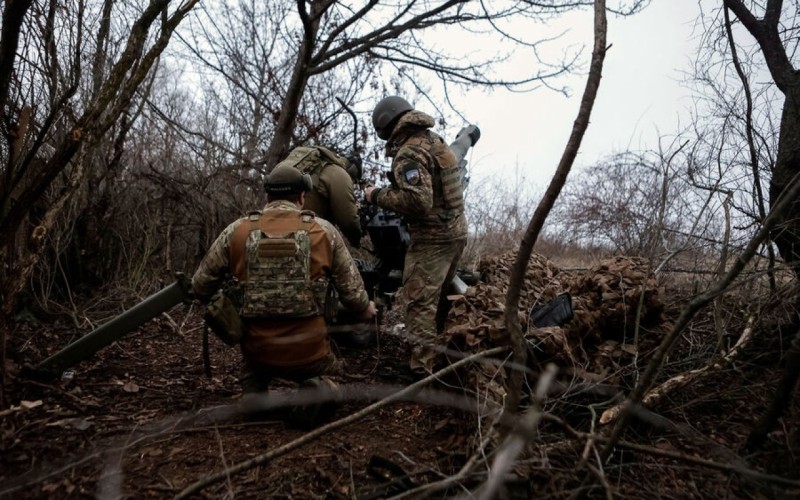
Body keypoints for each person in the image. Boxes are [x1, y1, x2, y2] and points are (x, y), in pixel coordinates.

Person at [192, 163, 377, 396]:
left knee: (253, 369)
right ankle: (320, 388)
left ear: (267, 196)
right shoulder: (324, 232)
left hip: (257, 352)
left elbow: (200, 286)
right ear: (302, 197)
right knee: (333, 374)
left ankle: (255, 391)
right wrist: (365, 307)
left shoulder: (237, 231)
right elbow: (354, 296)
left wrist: (227, 306)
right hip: (311, 354)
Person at [364, 96, 468, 374]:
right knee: (442, 296)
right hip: (455, 232)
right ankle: (448, 355)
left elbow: (418, 202)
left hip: (432, 239)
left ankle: (424, 370)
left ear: (386, 126)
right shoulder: (433, 141)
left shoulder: (409, 153)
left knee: (419, 302)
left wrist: (376, 195)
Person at [274, 145, 364, 248]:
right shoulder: (339, 174)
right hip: (305, 236)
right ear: (353, 172)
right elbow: (348, 220)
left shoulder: (314, 166)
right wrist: (356, 240)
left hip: (272, 226)